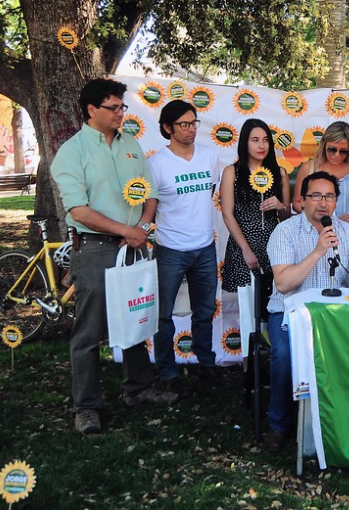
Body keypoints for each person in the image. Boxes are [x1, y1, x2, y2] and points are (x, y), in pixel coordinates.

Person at [51, 78, 177, 435]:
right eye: (114, 107)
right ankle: (86, 407)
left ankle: (138, 389)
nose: (122, 113)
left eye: (123, 106)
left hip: (134, 245)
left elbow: (150, 193)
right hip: (93, 248)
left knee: (135, 318)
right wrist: (125, 231)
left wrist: (143, 226)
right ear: (92, 110)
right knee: (88, 332)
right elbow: (78, 210)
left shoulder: (131, 145)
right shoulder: (72, 152)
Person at [264, 171, 349, 451]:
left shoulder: (346, 230)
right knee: (284, 355)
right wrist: (317, 251)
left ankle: (347, 418)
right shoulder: (285, 232)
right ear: (302, 200)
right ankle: (279, 423)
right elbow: (284, 283)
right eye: (316, 196)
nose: (323, 203)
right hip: (289, 313)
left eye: (329, 197)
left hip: (334, 314)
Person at [147, 100, 220, 400]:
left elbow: (210, 194)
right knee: (163, 316)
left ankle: (206, 364)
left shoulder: (209, 156)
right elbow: (150, 206)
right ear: (167, 128)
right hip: (170, 249)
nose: (191, 129)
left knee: (203, 312)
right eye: (184, 124)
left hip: (204, 247)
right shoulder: (156, 163)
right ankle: (168, 373)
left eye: (194, 123)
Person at [220, 118, 290, 304]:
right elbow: (227, 213)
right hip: (242, 245)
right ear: (245, 142)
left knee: (275, 303)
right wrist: (246, 250)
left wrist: (280, 206)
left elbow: (286, 216)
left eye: (266, 140)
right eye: (255, 140)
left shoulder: (280, 173)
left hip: (274, 246)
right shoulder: (232, 172)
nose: (261, 145)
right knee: (245, 308)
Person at [292, 121, 349, 238]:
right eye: (332, 149)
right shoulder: (309, 168)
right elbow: (297, 202)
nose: (337, 155)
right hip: (315, 232)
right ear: (324, 145)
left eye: (343, 151)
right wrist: (316, 216)